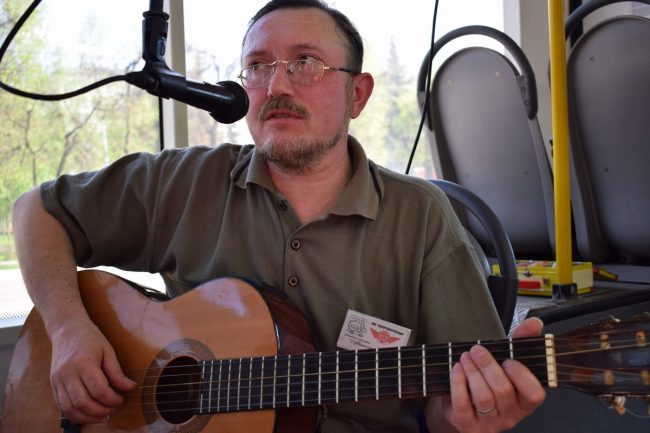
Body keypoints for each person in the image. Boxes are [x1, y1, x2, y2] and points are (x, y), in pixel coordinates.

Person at [11, 0, 545, 432]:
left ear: (357, 95)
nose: (277, 86)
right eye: (258, 66)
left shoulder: (422, 218)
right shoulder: (186, 182)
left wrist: (469, 417)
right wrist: (69, 329)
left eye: (305, 63)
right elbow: (35, 210)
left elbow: (452, 404)